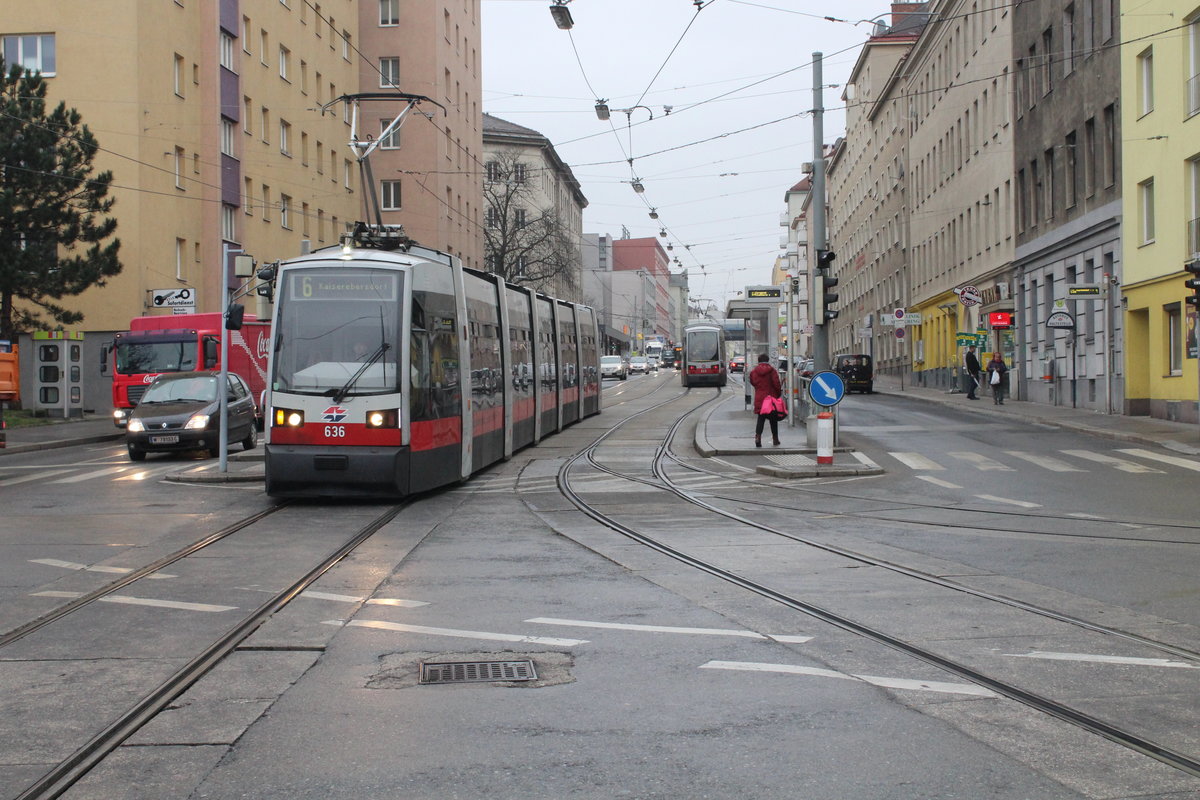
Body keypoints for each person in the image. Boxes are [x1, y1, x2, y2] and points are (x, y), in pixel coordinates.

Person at [748, 353, 782, 448]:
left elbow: (753, 382)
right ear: (768, 360)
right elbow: (777, 384)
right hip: (771, 398)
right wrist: (778, 394)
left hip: (760, 398)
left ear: (758, 361)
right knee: (773, 418)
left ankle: (758, 438)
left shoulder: (754, 371)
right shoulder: (772, 371)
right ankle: (775, 439)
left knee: (761, 418)